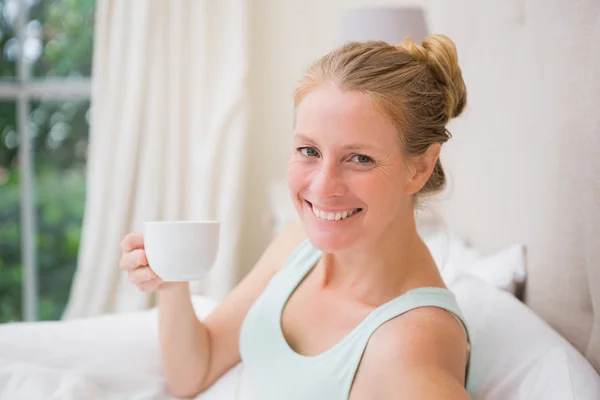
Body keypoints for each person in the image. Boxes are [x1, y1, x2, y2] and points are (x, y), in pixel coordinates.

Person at [119, 34, 471, 399]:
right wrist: (172, 282)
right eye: (309, 150)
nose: (322, 186)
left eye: (360, 158)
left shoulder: (412, 343)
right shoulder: (298, 246)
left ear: (420, 168)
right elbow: (195, 371)